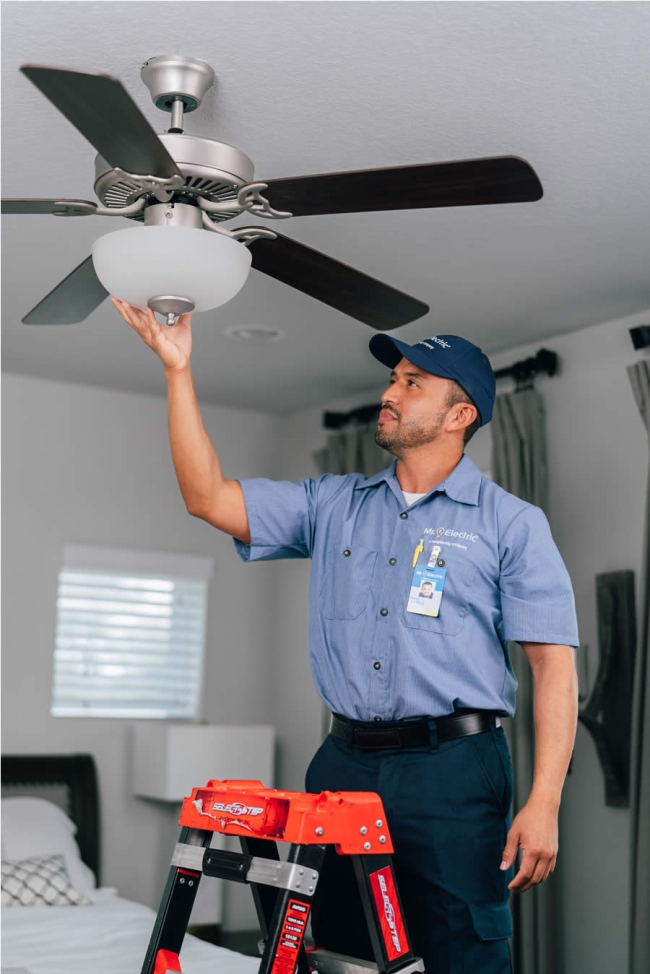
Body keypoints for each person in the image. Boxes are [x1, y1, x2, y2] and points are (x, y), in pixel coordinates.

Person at [112, 298, 579, 974]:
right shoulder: (332, 505)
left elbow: (554, 671)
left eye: (412, 383)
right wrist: (177, 371)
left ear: (460, 415)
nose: (389, 392)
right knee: (338, 953)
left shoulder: (513, 524)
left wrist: (544, 801)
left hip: (456, 769)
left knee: (460, 952)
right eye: (393, 379)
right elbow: (208, 498)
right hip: (342, 767)